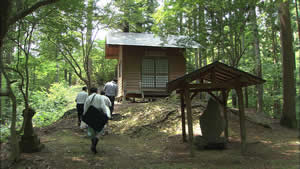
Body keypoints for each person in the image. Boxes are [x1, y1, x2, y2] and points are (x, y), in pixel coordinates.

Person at [83, 87, 111, 154]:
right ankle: (95, 144)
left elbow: (85, 107)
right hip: (99, 115)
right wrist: (106, 114)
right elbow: (103, 106)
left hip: (90, 115)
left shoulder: (88, 98)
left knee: (91, 129)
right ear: (97, 91)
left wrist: (85, 115)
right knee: (100, 129)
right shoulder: (100, 97)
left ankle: (93, 142)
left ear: (90, 91)